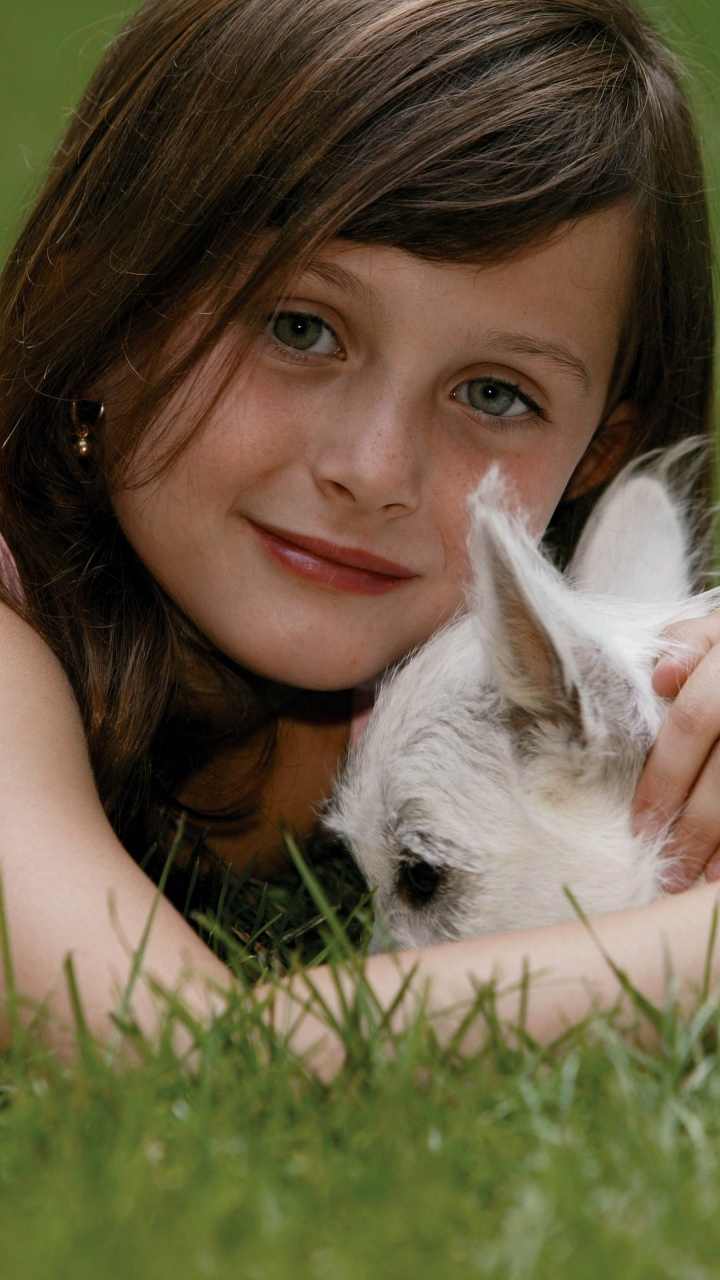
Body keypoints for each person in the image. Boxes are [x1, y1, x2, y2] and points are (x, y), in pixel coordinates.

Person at [0, 0, 719, 1070]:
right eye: (301, 327)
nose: (371, 468)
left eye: (492, 390)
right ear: (103, 308)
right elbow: (183, 1063)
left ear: (598, 452)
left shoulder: (472, 683)